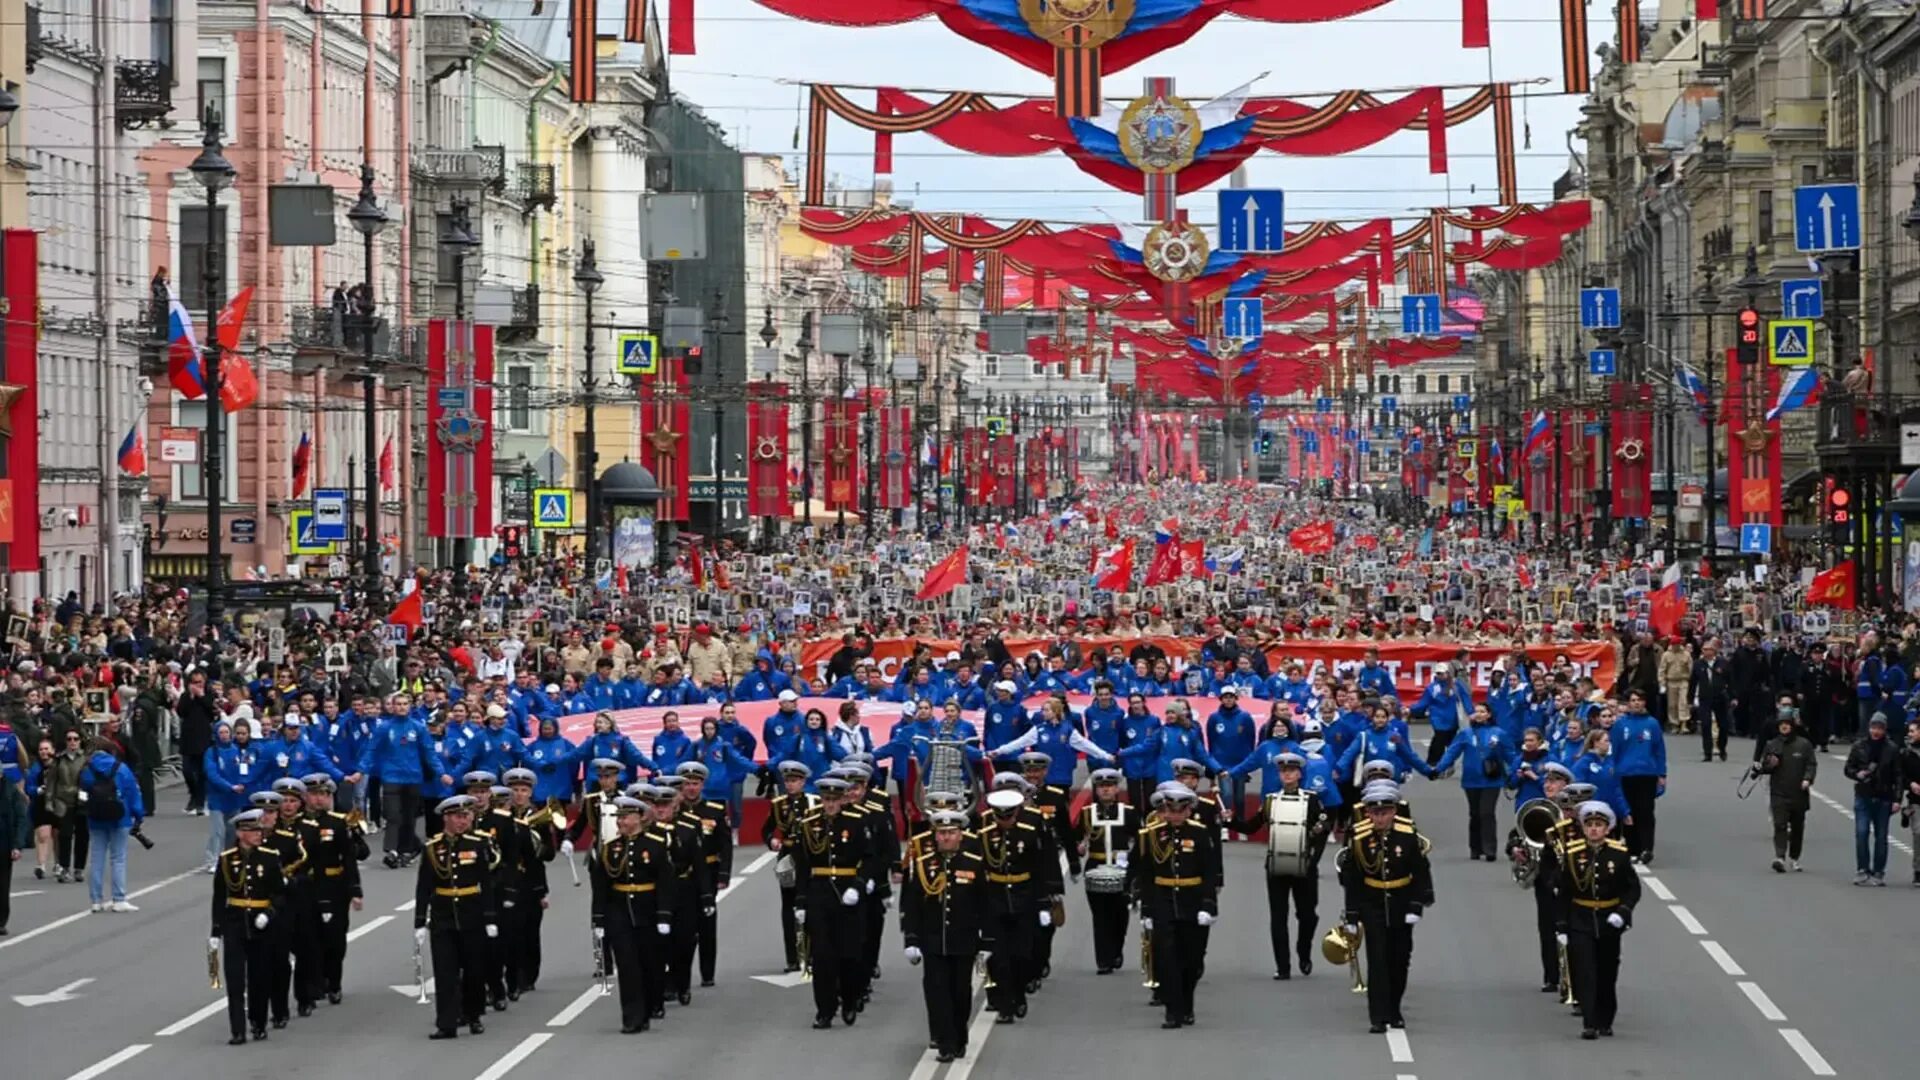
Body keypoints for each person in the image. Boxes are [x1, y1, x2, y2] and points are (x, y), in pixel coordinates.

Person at [1338, 780, 1433, 1033]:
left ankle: (1395, 1009)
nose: (1380, 818)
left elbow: (1420, 871)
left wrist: (1417, 904)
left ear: (1393, 812)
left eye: (1385, 812)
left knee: (1400, 959)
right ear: (1368, 813)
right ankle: (1378, 1016)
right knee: (1377, 959)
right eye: (1375, 812)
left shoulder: (1407, 834)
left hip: (1402, 901)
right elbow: (1353, 877)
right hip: (1373, 902)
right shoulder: (1359, 838)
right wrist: (1352, 912)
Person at [900, 809, 991, 1063]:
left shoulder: (974, 864)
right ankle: (945, 1043)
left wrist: (987, 941)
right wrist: (911, 940)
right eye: (942, 833)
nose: (946, 838)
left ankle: (959, 1036)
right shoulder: (922, 865)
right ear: (935, 836)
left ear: (961, 835)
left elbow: (985, 906)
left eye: (951, 833)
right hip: (933, 941)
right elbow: (912, 906)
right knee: (937, 991)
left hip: (963, 941)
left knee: (960, 992)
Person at [1230, 752, 1330, 980]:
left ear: (1300, 774)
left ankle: (1303, 951)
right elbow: (1251, 828)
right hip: (1276, 865)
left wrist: (1315, 839)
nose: (1287, 775)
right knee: (1278, 916)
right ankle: (1282, 966)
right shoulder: (1271, 801)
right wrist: (1231, 821)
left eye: (1292, 771)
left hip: (1304, 865)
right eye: (1284, 771)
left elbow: (1325, 825)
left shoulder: (1312, 800)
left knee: (1307, 916)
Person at [1134, 783, 1221, 1028]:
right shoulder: (1152, 834)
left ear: (1188, 810)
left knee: (1192, 960)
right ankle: (1173, 1011)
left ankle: (1187, 1004)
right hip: (1163, 900)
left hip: (1192, 900)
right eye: (1170, 810)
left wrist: (1208, 904)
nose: (1174, 815)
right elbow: (1146, 873)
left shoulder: (1201, 834)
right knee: (1165, 957)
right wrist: (1147, 909)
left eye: (1179, 810)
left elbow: (1209, 870)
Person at [790, 774, 873, 1029]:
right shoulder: (809, 823)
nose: (829, 805)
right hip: (819, 892)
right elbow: (802, 865)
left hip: (847, 892)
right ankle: (824, 1009)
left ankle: (849, 999)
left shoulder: (857, 821)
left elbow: (870, 858)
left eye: (834, 800)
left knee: (850, 954)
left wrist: (859, 885)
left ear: (843, 800)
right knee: (822, 955)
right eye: (826, 800)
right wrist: (801, 901)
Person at [415, 794, 500, 1039]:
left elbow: (486, 883)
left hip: (472, 915)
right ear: (446, 818)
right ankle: (446, 1023)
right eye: (457, 817)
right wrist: (420, 921)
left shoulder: (478, 844)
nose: (462, 821)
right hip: (443, 917)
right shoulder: (433, 848)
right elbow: (424, 887)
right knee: (445, 973)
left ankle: (473, 1015)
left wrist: (490, 918)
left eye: (466, 816)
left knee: (474, 971)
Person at [1555, 800, 1640, 1040]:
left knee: (1607, 971)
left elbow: (1632, 889)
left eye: (1598, 825)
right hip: (1580, 918)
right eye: (1589, 824)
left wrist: (1622, 912)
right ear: (1583, 828)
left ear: (1607, 829)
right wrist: (1561, 924)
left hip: (1608, 919)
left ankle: (1605, 1019)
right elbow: (1565, 892)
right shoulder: (1573, 855)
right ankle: (1589, 1022)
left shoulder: (1619, 854)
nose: (1594, 829)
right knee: (1585, 971)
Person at [589, 795, 670, 1034]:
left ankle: (650, 1007)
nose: (621, 822)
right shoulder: (609, 849)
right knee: (627, 967)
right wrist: (599, 919)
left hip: (648, 912)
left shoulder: (654, 845)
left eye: (625, 817)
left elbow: (665, 883)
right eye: (619, 817)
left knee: (651, 965)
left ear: (639, 818)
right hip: (620, 913)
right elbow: (601, 887)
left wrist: (664, 915)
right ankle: (632, 1017)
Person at [212, 808, 288, 1045]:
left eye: (259, 829)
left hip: (261, 925)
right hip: (235, 923)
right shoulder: (226, 859)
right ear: (240, 833)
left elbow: (279, 893)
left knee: (259, 977)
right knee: (235, 979)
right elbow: (219, 897)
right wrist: (216, 930)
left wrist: (268, 913)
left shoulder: (268, 856)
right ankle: (237, 1029)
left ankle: (258, 1021)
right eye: (253, 830)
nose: (259, 834)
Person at [1073, 768, 1139, 975]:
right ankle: (1104, 960)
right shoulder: (1087, 814)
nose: (1106, 790)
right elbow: (1076, 837)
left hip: (1121, 868)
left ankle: (1116, 948)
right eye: (1101, 787)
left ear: (1117, 788)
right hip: (1096, 866)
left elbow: (1141, 839)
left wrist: (1134, 865)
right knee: (1100, 916)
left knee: (1120, 914)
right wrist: (1079, 847)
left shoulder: (1128, 812)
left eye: (1109, 786)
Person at [1432, 703, 1517, 862]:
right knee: (1475, 814)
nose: (1478, 714)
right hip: (1471, 781)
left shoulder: (1499, 733)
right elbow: (1452, 752)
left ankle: (1490, 849)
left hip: (1491, 780)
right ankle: (1475, 848)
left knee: (1487, 813)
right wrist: (1438, 769)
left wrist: (1515, 774)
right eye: (1476, 711)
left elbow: (1511, 755)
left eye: (1482, 711)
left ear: (1489, 714)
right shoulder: (1466, 733)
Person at [79, 740, 145, 913]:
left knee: (96, 858)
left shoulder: (87, 770)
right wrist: (138, 815)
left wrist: (86, 811)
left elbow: (82, 795)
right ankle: (119, 898)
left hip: (96, 817)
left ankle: (95, 900)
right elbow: (133, 792)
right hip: (119, 816)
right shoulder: (121, 769)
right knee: (118, 858)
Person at [764, 760, 817, 972]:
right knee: (789, 908)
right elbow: (766, 830)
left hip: (808, 856)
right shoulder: (778, 804)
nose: (791, 785)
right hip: (788, 857)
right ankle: (793, 957)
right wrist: (772, 841)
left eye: (795, 781)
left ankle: (811, 953)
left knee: (809, 906)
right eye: (788, 781)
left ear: (803, 782)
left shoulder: (814, 802)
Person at [1752, 702, 1815, 873]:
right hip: (1778, 792)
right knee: (1780, 824)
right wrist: (1766, 765)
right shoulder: (1772, 744)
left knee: (1797, 828)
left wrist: (1807, 779)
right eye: (1781, 724)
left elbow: (1811, 764)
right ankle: (1779, 856)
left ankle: (1794, 857)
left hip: (1798, 793)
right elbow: (1764, 766)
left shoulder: (1804, 745)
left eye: (1787, 724)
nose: (1784, 727)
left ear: (1793, 725)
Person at [1611, 690, 1667, 865]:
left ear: (1644, 703)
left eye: (1639, 700)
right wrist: (1612, 770)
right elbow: (1615, 749)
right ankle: (1632, 848)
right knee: (1629, 812)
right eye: (1633, 700)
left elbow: (1659, 750)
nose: (1636, 703)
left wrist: (1662, 773)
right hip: (1625, 774)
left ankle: (1646, 848)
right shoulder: (1620, 725)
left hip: (1647, 774)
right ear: (1628, 704)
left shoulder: (1652, 724)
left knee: (1646, 812)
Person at [1843, 714, 1900, 886]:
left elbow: (1898, 776)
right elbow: (1848, 768)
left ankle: (1878, 871)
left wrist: (1897, 798)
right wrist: (1857, 774)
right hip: (1863, 795)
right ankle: (1862, 869)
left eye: (1879, 728)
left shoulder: (1892, 748)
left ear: (1884, 729)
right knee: (1861, 832)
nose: (1876, 731)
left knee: (1881, 836)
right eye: (1873, 727)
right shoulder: (1859, 746)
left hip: (1883, 797)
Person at [1691, 639, 1732, 762]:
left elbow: (1730, 681)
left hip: (1720, 697)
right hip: (1705, 698)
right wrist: (1690, 699)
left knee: (1723, 725)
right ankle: (1707, 752)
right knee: (1706, 724)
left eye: (1708, 649)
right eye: (1704, 649)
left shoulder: (1723, 663)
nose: (1705, 652)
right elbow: (1693, 682)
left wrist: (1733, 697)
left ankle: (1722, 747)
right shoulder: (1698, 664)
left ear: (1714, 651)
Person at [0, 771, 27, 933]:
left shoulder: (11, 790)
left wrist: (17, 845)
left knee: (2, 884)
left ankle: (1, 920)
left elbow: (21, 818)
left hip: (4, 843)